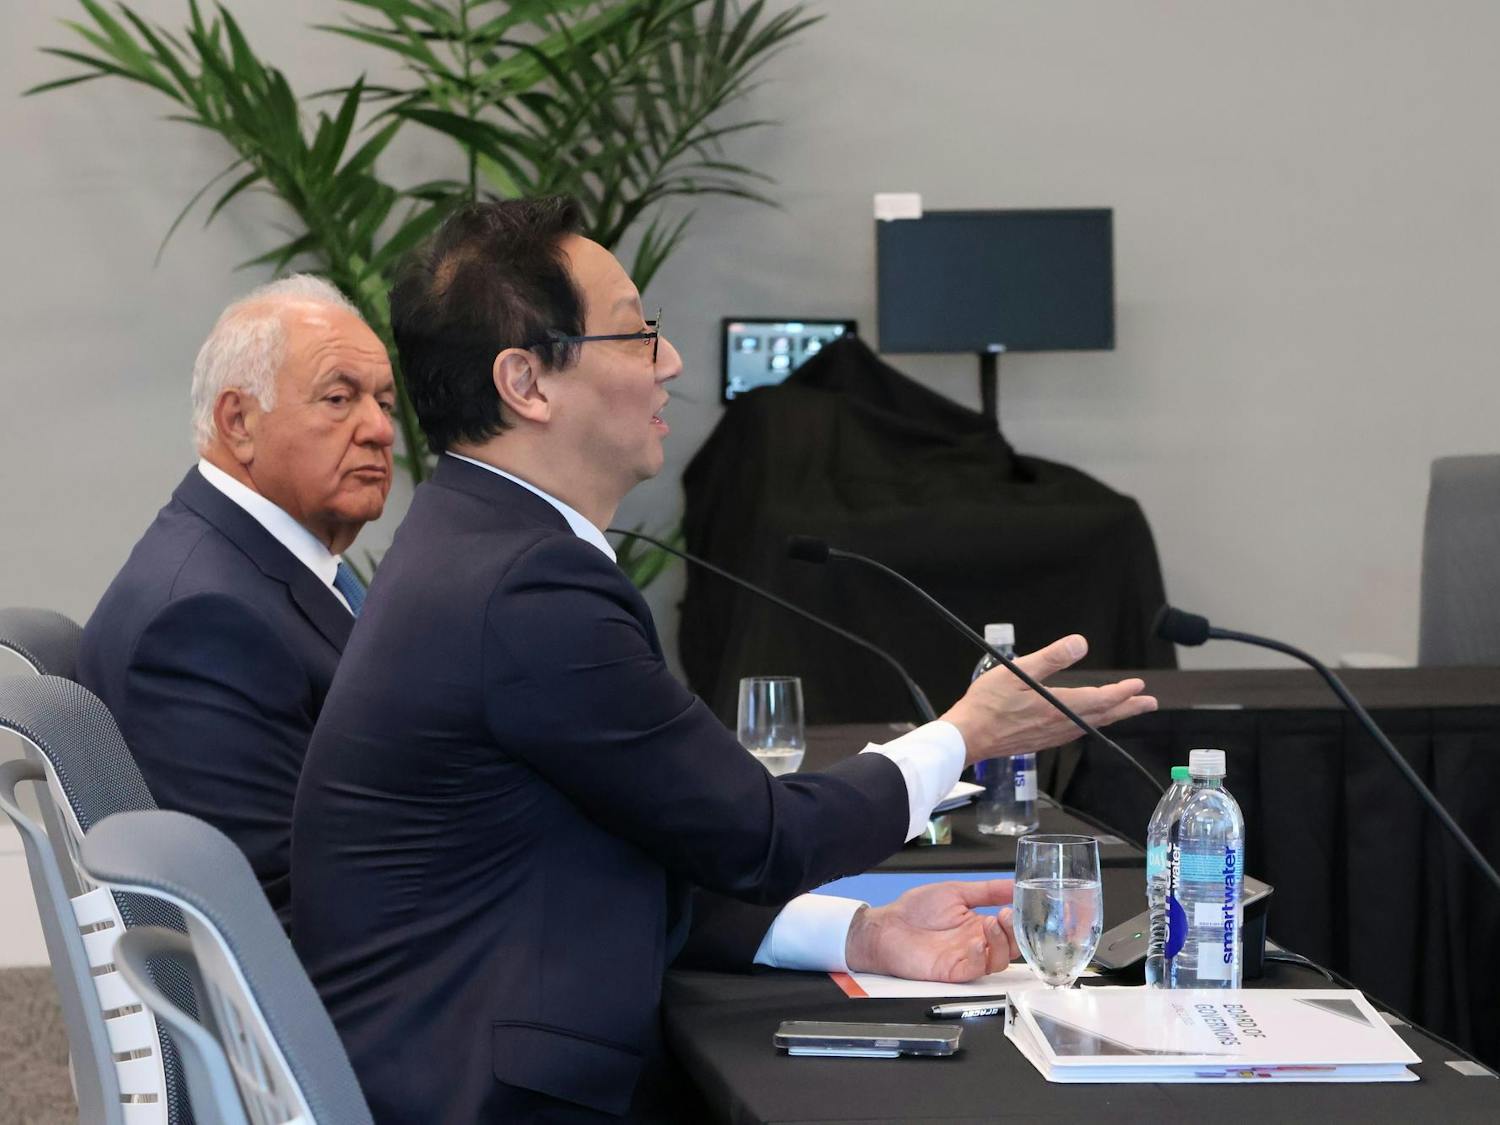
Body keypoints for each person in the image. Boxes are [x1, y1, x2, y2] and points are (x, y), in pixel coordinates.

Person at [291, 198, 1155, 1122]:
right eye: (637, 333)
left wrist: (863, 931)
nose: (669, 361)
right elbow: (760, 835)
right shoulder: (525, 586)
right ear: (526, 382)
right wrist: (964, 735)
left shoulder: (474, 541)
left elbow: (633, 856)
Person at [78, 276, 395, 924]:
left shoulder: (254, 564)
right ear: (239, 422)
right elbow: (272, 919)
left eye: (385, 402)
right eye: (339, 399)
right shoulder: (205, 624)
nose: (380, 429)